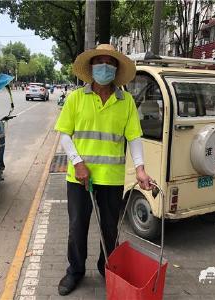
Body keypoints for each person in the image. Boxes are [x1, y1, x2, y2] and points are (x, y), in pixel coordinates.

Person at [54, 44, 155, 296]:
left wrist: (141, 170)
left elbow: (134, 138)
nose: (104, 67)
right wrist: (77, 162)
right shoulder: (76, 98)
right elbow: (65, 134)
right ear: (91, 68)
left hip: (111, 178)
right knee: (78, 226)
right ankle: (75, 271)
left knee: (110, 227)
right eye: (99, 62)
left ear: (116, 69)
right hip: (79, 177)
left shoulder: (126, 101)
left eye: (109, 63)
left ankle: (106, 267)